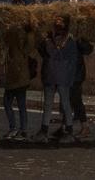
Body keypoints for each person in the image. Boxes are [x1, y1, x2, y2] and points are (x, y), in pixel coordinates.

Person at [33, 15, 78, 143]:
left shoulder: (67, 40)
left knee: (63, 103)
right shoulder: (56, 38)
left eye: (60, 21)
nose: (57, 23)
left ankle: (67, 131)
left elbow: (55, 54)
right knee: (51, 104)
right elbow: (45, 53)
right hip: (52, 75)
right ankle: (45, 131)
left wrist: (47, 42)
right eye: (56, 20)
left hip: (60, 76)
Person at [0, 19, 34, 141]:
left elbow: (3, 61)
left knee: (8, 102)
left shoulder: (13, 47)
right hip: (21, 78)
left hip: (15, 79)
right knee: (21, 104)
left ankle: (15, 128)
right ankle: (23, 129)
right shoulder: (20, 44)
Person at [69, 33, 94, 139]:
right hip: (72, 75)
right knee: (72, 100)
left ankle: (85, 126)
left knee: (76, 100)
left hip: (75, 75)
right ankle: (72, 126)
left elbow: (86, 50)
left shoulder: (75, 40)